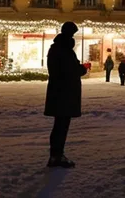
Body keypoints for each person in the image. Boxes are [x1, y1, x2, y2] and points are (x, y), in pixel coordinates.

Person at [44, 21, 87, 168]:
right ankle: (57, 156)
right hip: (64, 93)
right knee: (61, 126)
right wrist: (81, 69)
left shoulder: (56, 48)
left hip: (59, 92)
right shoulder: (64, 49)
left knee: (59, 125)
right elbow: (69, 70)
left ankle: (55, 155)